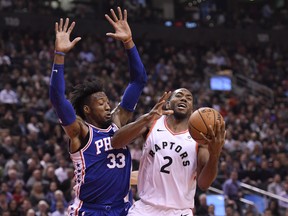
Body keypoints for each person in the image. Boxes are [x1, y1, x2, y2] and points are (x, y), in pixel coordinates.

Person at [49, 7, 147, 216]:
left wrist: (129, 42)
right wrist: (59, 55)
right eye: (100, 102)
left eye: (107, 101)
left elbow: (138, 81)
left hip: (123, 209)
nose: (107, 105)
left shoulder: (117, 121)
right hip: (91, 210)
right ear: (87, 109)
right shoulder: (80, 131)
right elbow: (58, 98)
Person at [111, 88, 226, 216]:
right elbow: (116, 142)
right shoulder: (152, 122)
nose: (184, 98)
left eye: (188, 98)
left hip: (179, 211)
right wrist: (146, 118)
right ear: (168, 104)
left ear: (192, 109)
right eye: (179, 95)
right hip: (145, 208)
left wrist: (215, 154)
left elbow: (204, 184)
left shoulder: (199, 139)